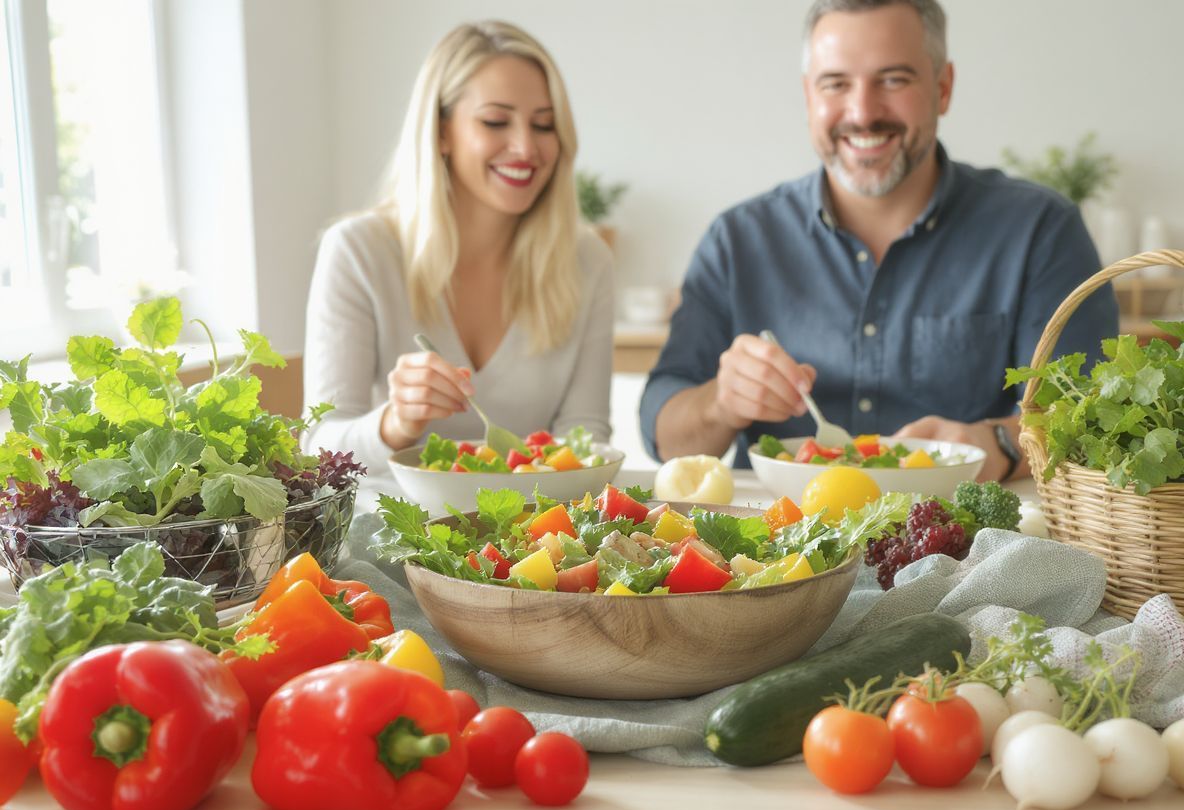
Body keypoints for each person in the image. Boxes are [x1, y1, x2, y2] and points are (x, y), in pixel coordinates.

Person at [640, 0, 1118, 480]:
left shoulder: (1041, 230)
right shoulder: (737, 241)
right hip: (777, 545)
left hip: (971, 545)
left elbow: (1093, 421)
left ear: (943, 87)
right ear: (809, 96)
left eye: (893, 79)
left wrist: (997, 442)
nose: (863, 112)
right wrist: (721, 403)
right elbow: (663, 436)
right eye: (836, 84)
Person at [303, 21, 614, 475]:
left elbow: (585, 438)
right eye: (495, 121)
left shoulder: (588, 261)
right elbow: (319, 450)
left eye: (544, 125)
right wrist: (395, 422)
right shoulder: (358, 251)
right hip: (390, 536)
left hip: (532, 535)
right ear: (441, 131)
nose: (526, 147)